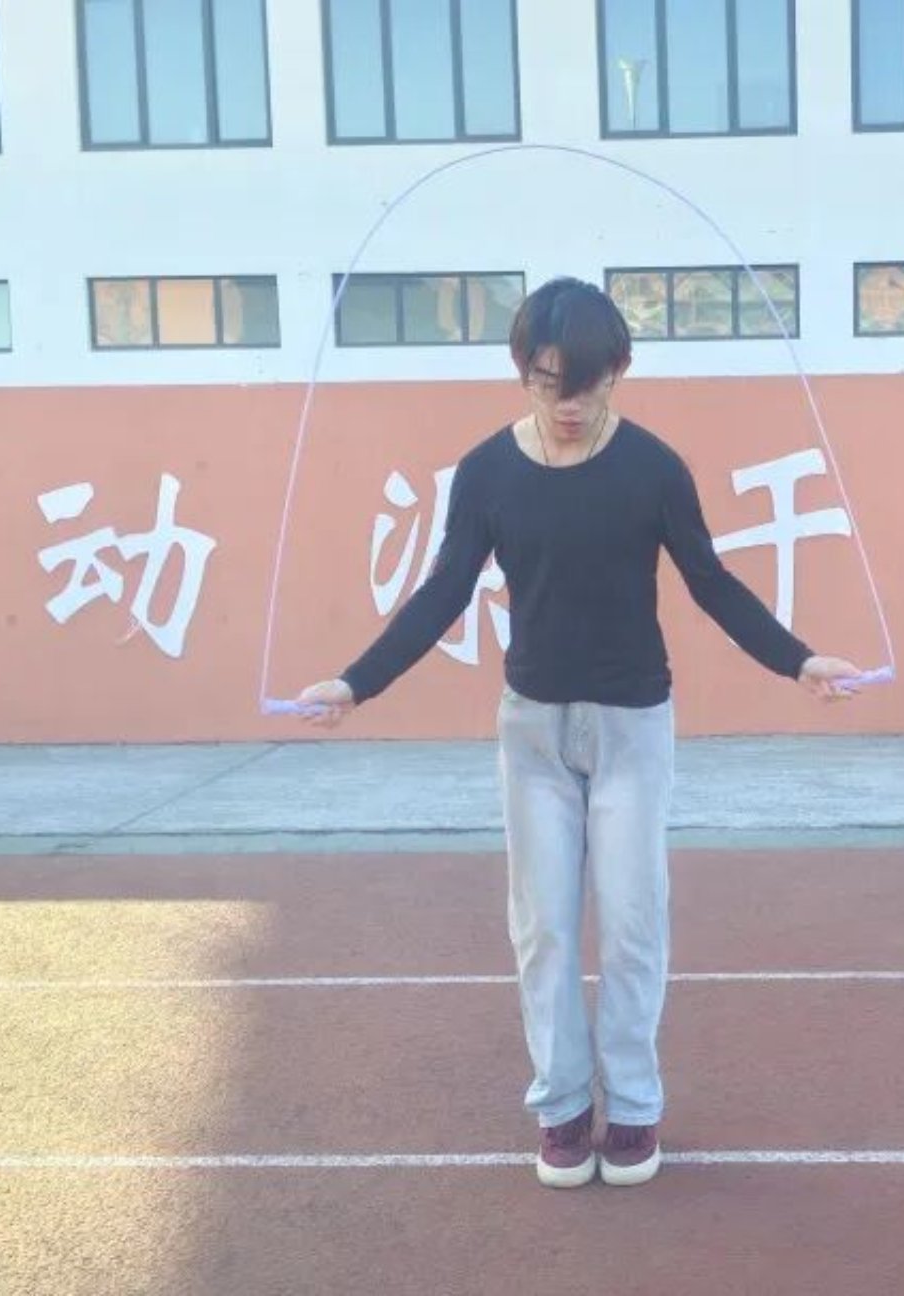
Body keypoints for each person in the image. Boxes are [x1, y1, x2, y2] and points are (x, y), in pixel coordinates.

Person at [292, 277, 862, 1189]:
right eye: (548, 380)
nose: (567, 402)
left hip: (633, 726)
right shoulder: (487, 472)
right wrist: (356, 682)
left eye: (587, 383)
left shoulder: (653, 469)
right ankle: (561, 1105)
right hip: (533, 735)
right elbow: (443, 591)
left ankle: (632, 1106)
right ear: (523, 370)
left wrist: (798, 661)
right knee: (544, 929)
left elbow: (711, 582)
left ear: (619, 371)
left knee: (632, 924)